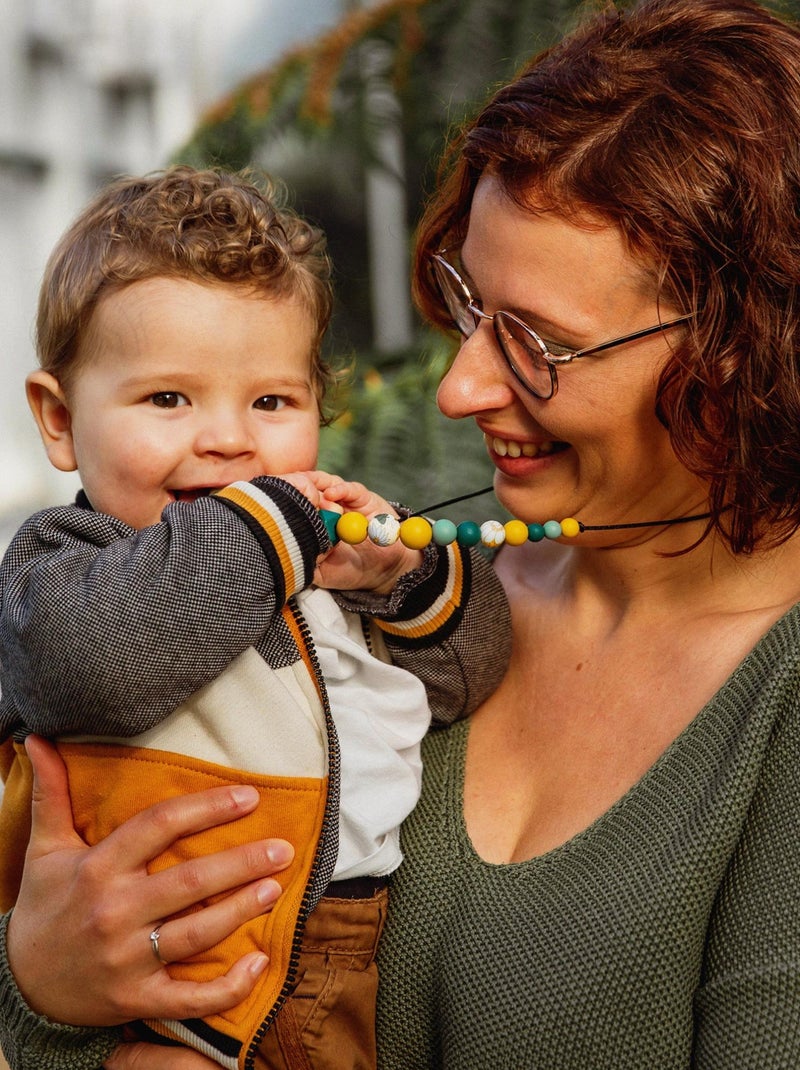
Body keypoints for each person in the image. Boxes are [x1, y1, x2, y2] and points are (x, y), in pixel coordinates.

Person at [3, 0, 800, 1065]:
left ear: (741, 358)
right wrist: (42, 983)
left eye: (537, 344)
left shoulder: (769, 700)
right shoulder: (400, 586)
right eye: (467, 303)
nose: (459, 386)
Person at [0, 166, 510, 1070]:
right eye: (168, 398)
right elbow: (93, 669)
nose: (229, 440)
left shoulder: (319, 573)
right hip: (159, 995)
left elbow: (470, 676)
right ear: (59, 419)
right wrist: (271, 522)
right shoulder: (62, 565)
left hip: (343, 959)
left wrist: (403, 580)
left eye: (271, 402)